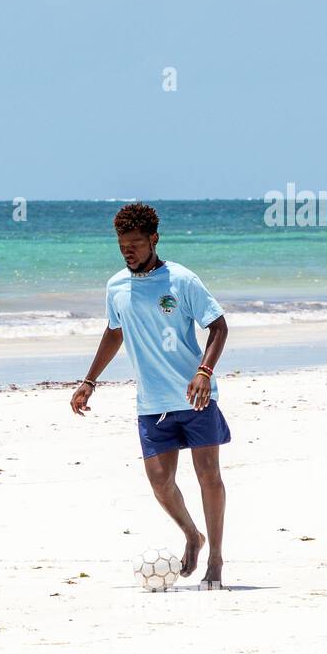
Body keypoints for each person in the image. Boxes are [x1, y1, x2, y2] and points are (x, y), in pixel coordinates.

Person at [71, 203, 230, 588]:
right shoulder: (116, 286)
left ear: (154, 240)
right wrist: (89, 380)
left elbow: (219, 327)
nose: (129, 251)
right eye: (123, 245)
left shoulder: (182, 280)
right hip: (152, 402)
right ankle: (192, 534)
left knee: (208, 475)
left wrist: (204, 372)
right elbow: (114, 331)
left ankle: (216, 560)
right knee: (160, 483)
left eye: (137, 244)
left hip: (195, 398)